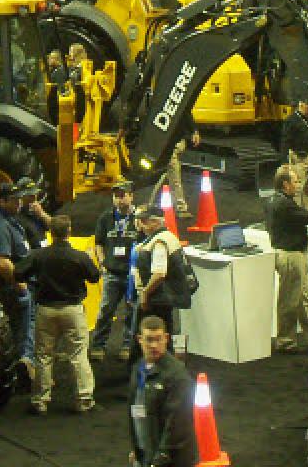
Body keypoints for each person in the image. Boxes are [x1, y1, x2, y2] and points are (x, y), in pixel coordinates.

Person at [15, 215, 101, 415]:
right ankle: (84, 399)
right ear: (69, 231)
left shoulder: (39, 255)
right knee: (78, 355)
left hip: (46, 309)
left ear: (51, 233)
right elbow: (95, 277)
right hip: (72, 309)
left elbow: (18, 273)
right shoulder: (79, 256)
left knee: (43, 356)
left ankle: (40, 401)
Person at [0, 181, 34, 380]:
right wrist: (21, 285)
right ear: (2, 201)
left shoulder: (4, 217)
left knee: (23, 325)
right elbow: (2, 262)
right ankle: (24, 363)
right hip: (11, 286)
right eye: (15, 200)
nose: (20, 203)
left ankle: (24, 362)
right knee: (24, 326)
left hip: (13, 282)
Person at [128, 315, 197, 467]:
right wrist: (137, 449)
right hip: (145, 454)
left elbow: (177, 424)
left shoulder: (177, 376)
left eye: (158, 339)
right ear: (139, 339)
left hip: (170, 461)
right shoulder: (138, 369)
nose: (154, 345)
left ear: (166, 338)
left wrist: (160, 459)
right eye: (149, 339)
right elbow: (134, 411)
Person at [267, 166, 308, 354]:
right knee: (294, 300)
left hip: (284, 254)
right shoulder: (286, 205)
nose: (298, 185)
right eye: (295, 182)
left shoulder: (272, 200)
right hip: (291, 256)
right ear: (285, 184)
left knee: (299, 299)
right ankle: (288, 340)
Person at [92, 181, 140, 361]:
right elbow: (98, 242)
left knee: (131, 311)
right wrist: (103, 262)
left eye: (123, 195)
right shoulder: (105, 218)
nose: (119, 200)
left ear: (131, 196)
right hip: (112, 273)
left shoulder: (138, 218)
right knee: (105, 310)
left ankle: (127, 345)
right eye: (116, 196)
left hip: (132, 274)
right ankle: (98, 345)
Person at [134, 205, 188, 339]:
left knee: (154, 337)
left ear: (156, 222)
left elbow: (159, 274)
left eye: (144, 221)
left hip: (158, 301)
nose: (141, 225)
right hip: (166, 298)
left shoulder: (159, 242)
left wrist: (145, 293)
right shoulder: (167, 236)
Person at [282, 99, 308, 197]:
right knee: (300, 187)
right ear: (301, 105)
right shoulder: (291, 120)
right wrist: (284, 161)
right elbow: (285, 141)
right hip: (300, 159)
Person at [13, 177, 50, 248]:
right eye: (30, 195)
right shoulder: (16, 218)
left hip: (43, 252)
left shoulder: (37, 212)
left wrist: (42, 214)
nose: (34, 197)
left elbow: (56, 228)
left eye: (35, 194)